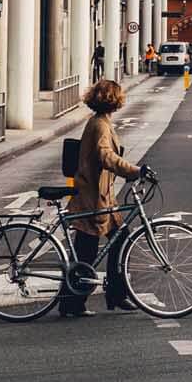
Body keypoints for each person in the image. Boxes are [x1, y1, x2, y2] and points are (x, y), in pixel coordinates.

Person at [60, 79, 146, 317]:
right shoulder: (100, 125)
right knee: (87, 251)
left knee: (118, 239)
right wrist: (134, 170)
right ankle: (74, 302)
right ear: (114, 101)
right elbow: (105, 156)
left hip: (102, 198)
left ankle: (112, 295)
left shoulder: (101, 122)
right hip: (93, 199)